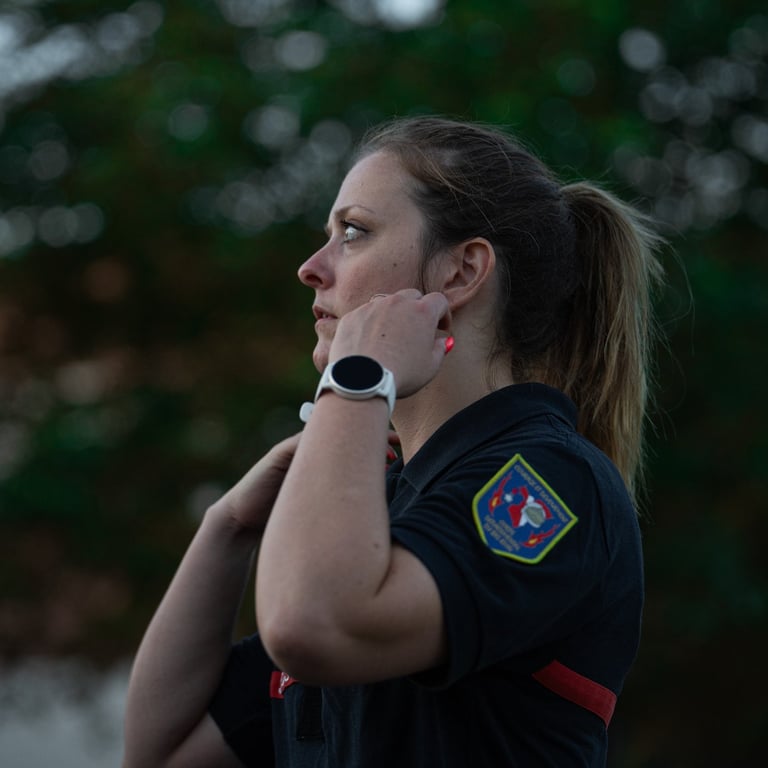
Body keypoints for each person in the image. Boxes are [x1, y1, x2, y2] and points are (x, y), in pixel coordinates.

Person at [122, 116, 664, 768]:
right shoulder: (373, 515)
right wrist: (229, 526)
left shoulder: (554, 479)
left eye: (353, 232)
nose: (311, 268)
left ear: (462, 272)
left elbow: (312, 625)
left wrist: (356, 380)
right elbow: (157, 755)